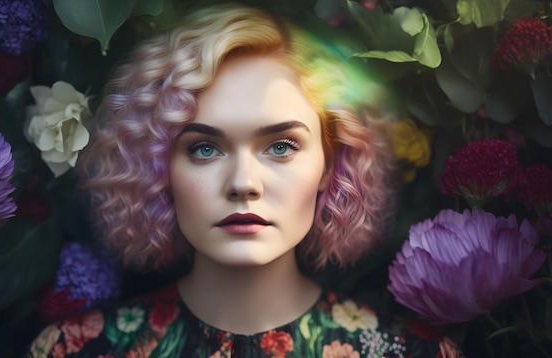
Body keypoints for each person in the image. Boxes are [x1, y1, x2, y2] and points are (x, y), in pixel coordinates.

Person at [27, 3, 463, 357]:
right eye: (204, 148)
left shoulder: (412, 353)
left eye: (280, 146)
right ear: (159, 167)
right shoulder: (74, 351)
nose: (243, 183)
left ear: (330, 164)